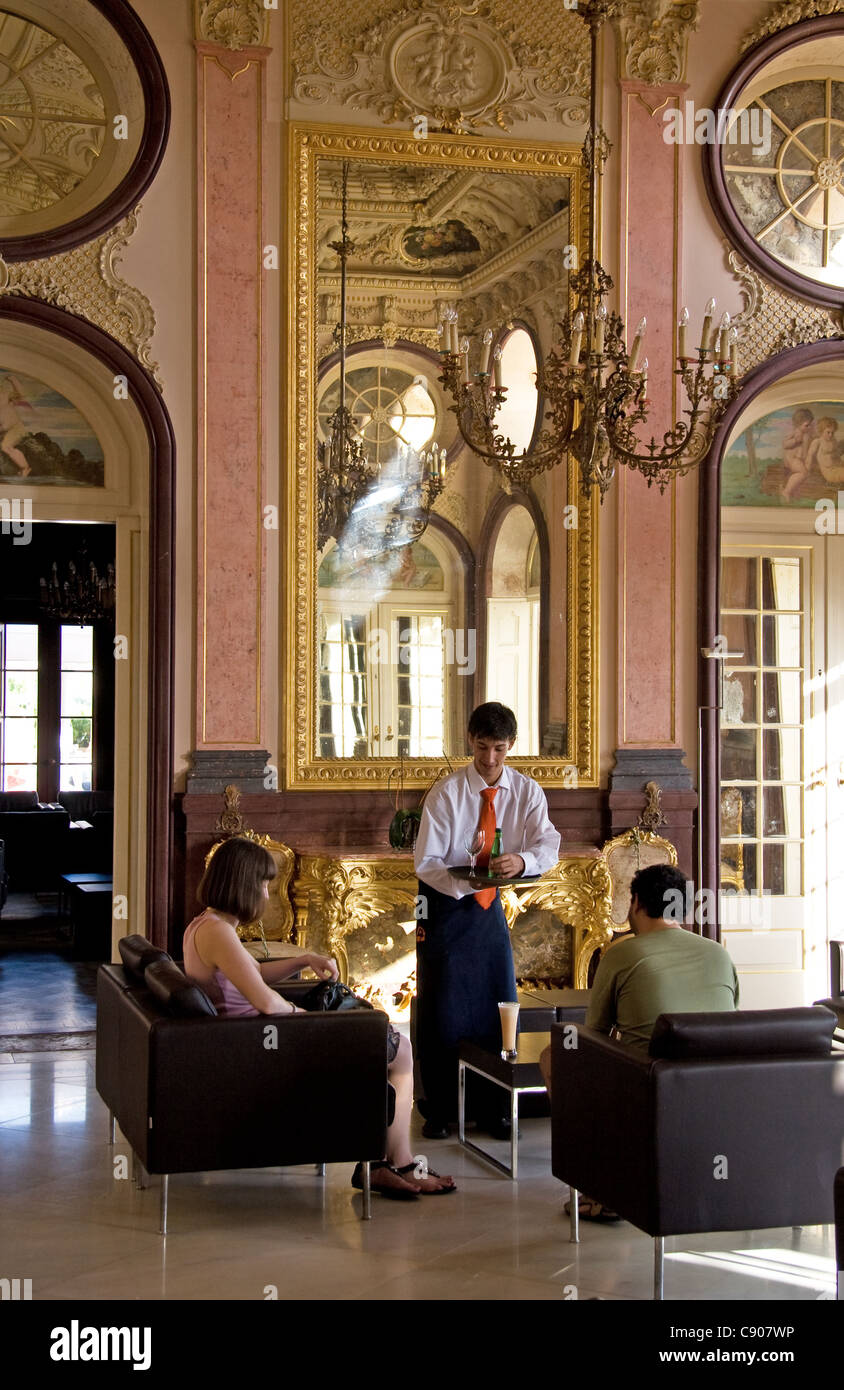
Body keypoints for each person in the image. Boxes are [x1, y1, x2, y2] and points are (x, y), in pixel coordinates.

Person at [184, 836, 456, 1200]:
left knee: (394, 1047)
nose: (267, 895)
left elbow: (252, 976)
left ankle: (384, 1164)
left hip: (255, 1038)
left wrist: (302, 960)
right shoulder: (218, 932)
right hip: (260, 1048)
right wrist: (312, 1019)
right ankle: (395, 1163)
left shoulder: (206, 924)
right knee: (401, 1049)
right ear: (242, 884)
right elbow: (265, 1002)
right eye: (264, 885)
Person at [539, 861, 739, 1219]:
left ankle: (600, 1187)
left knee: (553, 1056)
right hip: (717, 1089)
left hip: (647, 1087)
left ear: (636, 905)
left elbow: (594, 1031)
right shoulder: (719, 953)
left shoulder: (622, 953)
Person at [414, 701, 561, 1139]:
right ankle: (441, 1110)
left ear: (511, 745)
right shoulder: (446, 793)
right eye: (482, 748)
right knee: (442, 1011)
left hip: (489, 906)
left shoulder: (529, 792)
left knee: (497, 1006)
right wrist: (470, 880)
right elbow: (426, 862)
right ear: (470, 744)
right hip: (443, 903)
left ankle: (495, 1107)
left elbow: (548, 844)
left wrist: (523, 859)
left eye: (499, 749)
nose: (490, 759)